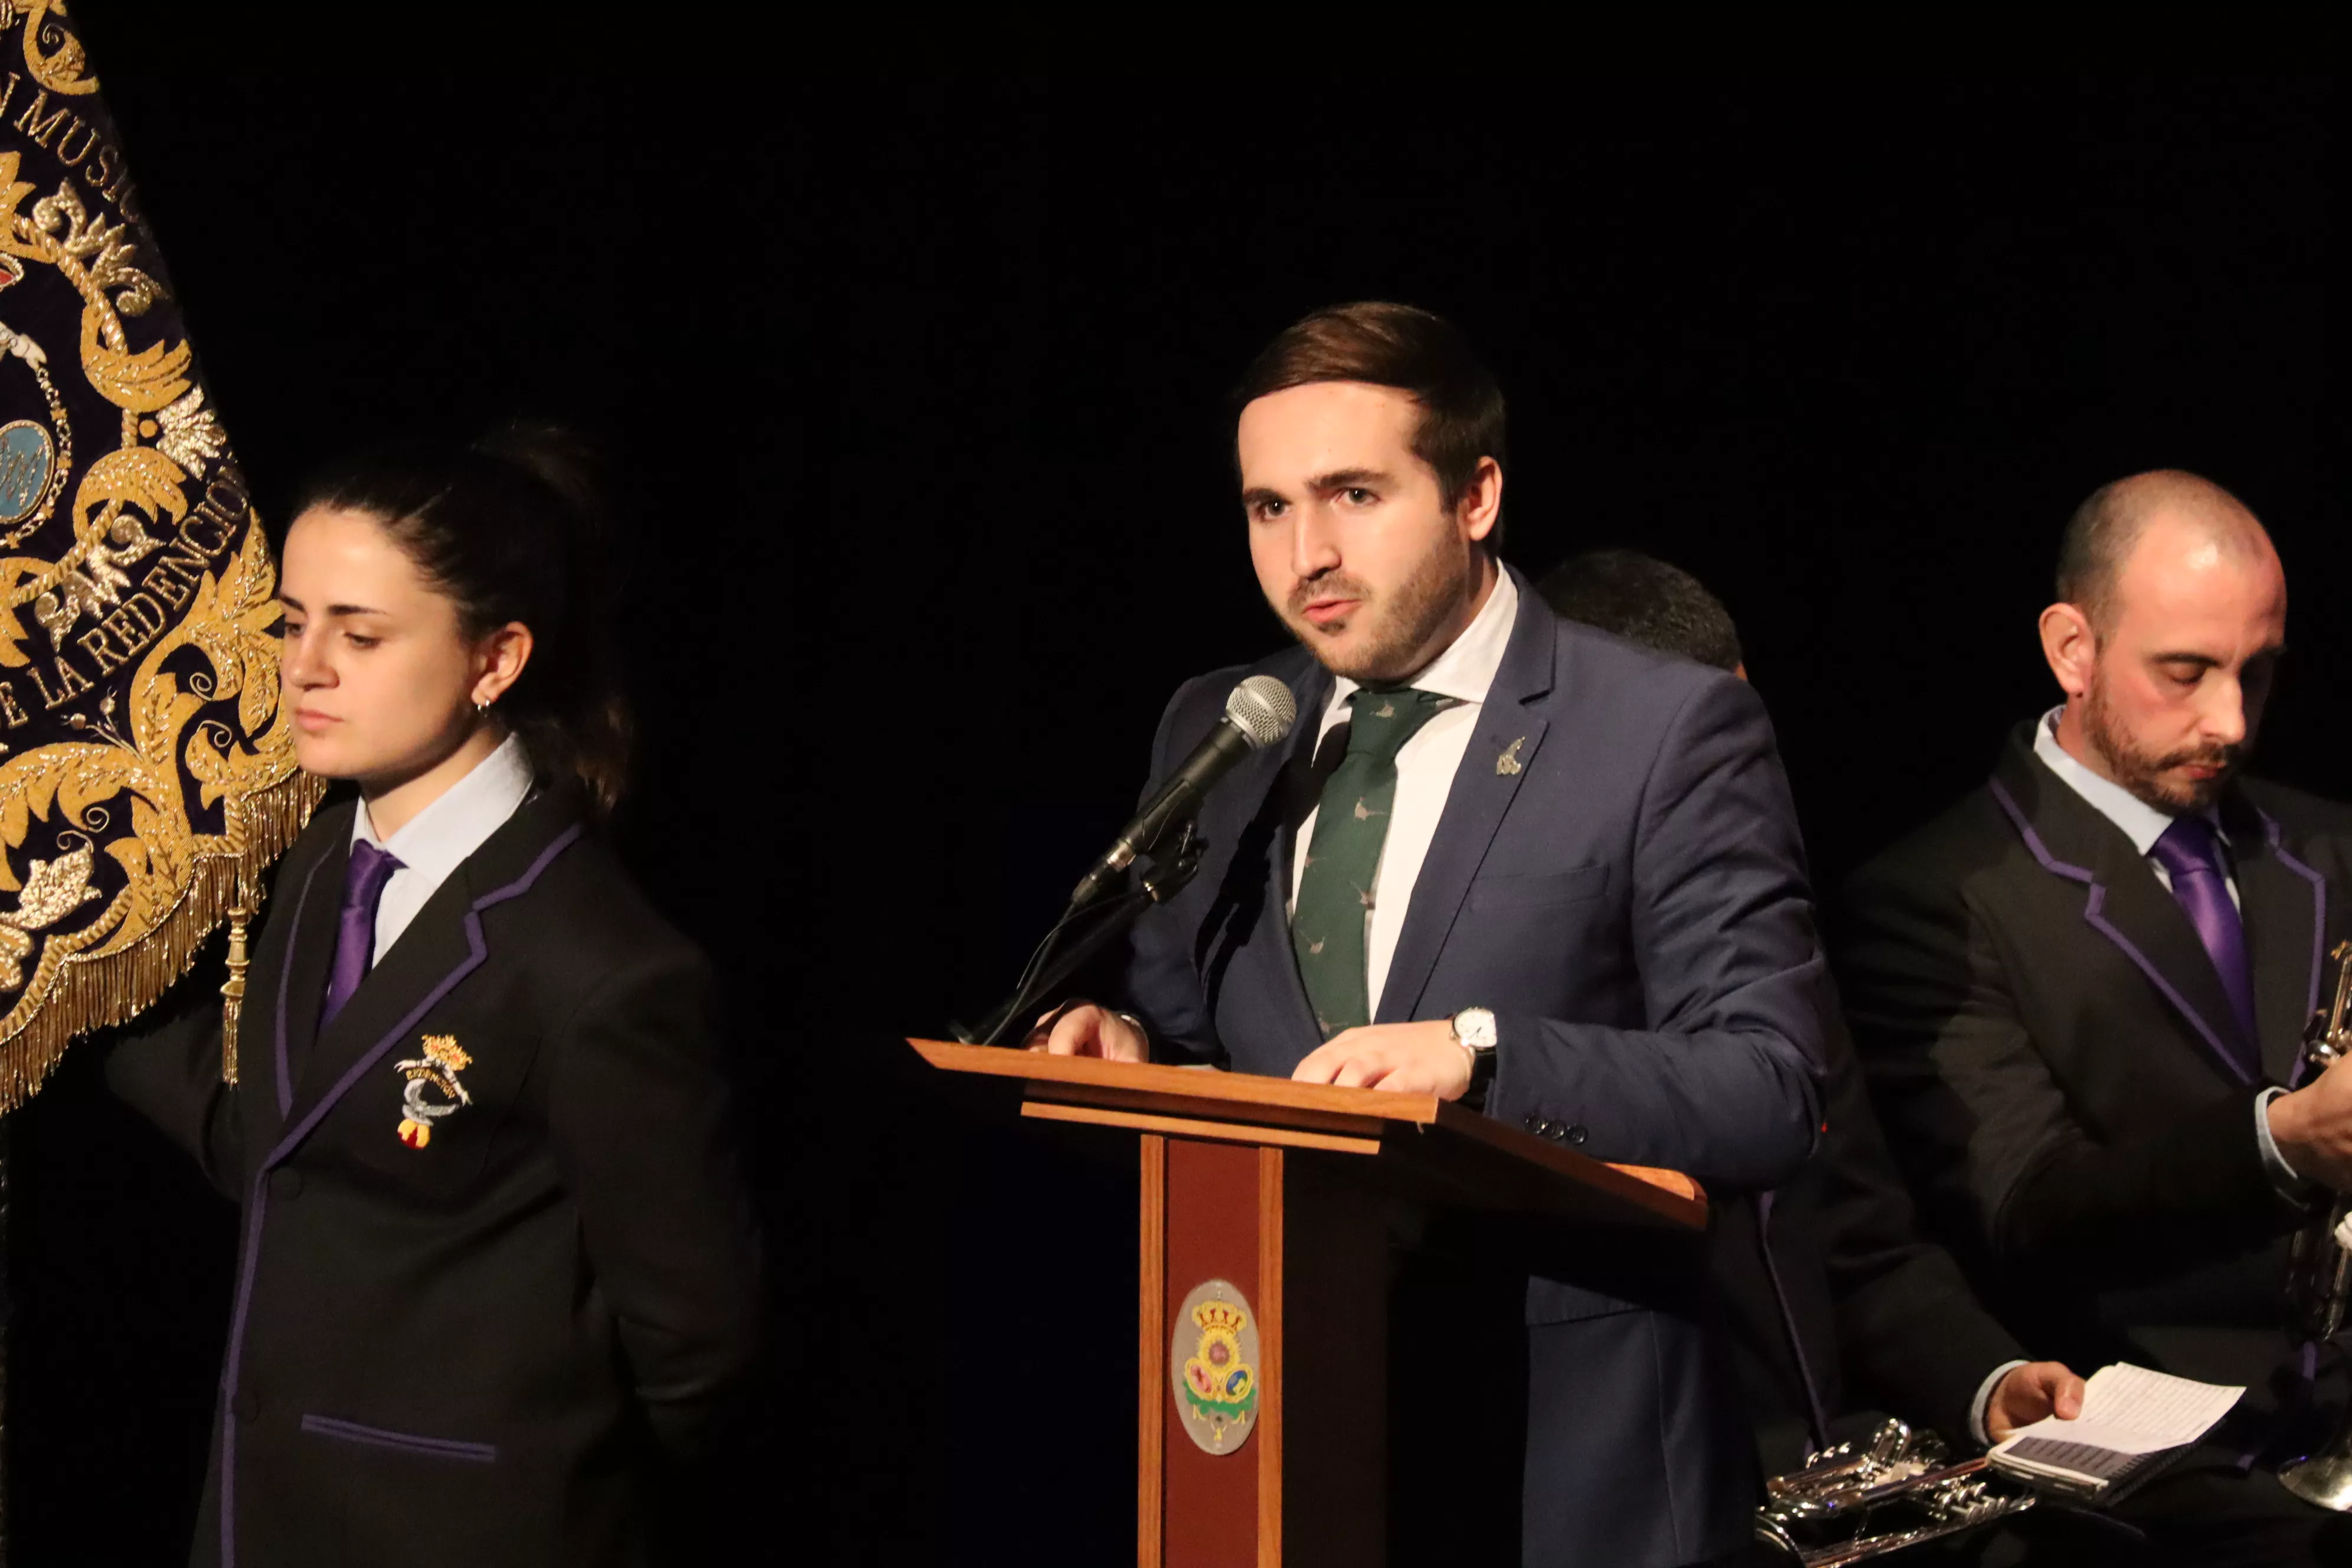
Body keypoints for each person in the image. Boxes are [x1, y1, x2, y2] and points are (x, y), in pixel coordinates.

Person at [1033, 303, 1828, 1567]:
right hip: (1294, 1454)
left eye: (1354, 493)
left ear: (1477, 495)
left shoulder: (1660, 730)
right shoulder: (1222, 724)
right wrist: (1134, 1056)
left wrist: (1483, 1056)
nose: (1309, 554)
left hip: (1570, 1478)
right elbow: (1221, 1059)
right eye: (1268, 508)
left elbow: (1772, 1085)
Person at [106, 428, 765, 1568]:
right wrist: (56, 983)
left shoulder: (601, 967)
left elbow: (698, 1342)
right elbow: (279, 1146)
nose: (305, 667)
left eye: (359, 634)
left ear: (495, 659)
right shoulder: (318, 867)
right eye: (290, 621)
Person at [1838, 471, 2352, 1566]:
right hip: (2153, 1468)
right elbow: (2030, 1205)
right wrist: (2289, 1140)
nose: (2231, 720)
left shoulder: (2331, 849)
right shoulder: (1938, 896)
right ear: (2072, 650)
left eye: (2258, 672)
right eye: (2186, 672)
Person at [1536, 549, 2088, 1480]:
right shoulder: (1522, 997)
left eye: (1745, 749)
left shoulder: (1774, 962)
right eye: (1706, 766)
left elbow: (1862, 1247)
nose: (1744, 793)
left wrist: (1986, 1382)